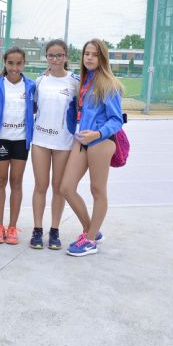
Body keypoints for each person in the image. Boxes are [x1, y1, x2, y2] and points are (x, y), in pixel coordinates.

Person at [60, 39, 123, 257]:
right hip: (81, 140)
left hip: (100, 141)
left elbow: (116, 120)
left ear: (102, 58)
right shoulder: (83, 81)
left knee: (97, 190)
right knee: (66, 187)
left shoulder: (109, 84)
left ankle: (89, 241)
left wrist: (97, 134)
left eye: (94, 54)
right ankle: (91, 231)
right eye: (86, 53)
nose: (89, 57)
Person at [29, 40, 79, 250]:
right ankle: (37, 229)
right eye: (51, 55)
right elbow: (32, 107)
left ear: (66, 56)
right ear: (46, 57)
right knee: (41, 185)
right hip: (40, 140)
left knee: (59, 188)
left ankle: (55, 230)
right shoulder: (40, 80)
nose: (55, 59)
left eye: (59, 55)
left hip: (63, 141)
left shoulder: (74, 81)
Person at [0, 46, 35, 245]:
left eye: (19, 63)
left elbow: (38, 108)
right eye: (10, 63)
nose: (14, 68)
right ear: (5, 63)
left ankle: (12, 227)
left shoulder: (31, 86)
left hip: (21, 141)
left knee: (16, 182)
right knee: (0, 181)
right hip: (2, 139)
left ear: (24, 64)